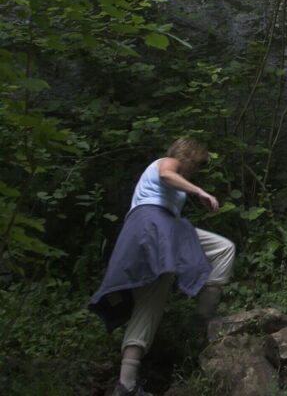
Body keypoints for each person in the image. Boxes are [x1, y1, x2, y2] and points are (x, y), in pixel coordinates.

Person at [89, 138, 236, 396]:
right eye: (196, 164)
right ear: (188, 156)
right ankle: (128, 384)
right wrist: (199, 192)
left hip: (166, 228)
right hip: (151, 227)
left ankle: (200, 321)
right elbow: (167, 174)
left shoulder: (176, 189)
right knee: (152, 301)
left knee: (221, 250)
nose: (196, 171)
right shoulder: (167, 162)